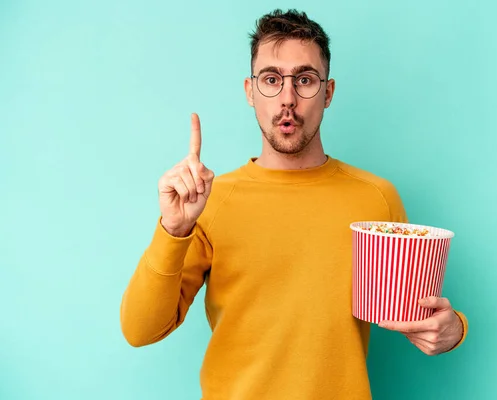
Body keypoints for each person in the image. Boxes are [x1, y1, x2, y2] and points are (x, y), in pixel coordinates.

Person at [120, 8, 468, 399]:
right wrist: (173, 229)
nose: (287, 99)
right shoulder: (208, 201)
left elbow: (417, 312)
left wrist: (453, 329)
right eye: (271, 79)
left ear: (328, 92)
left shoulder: (377, 198)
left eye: (304, 79)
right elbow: (140, 329)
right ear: (250, 92)